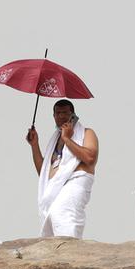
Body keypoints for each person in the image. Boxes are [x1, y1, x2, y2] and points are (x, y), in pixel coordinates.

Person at [26, 100, 98, 238]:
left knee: (63, 214)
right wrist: (34, 145)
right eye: (57, 113)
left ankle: (69, 253)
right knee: (52, 220)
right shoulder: (55, 139)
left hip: (76, 182)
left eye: (65, 112)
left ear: (73, 115)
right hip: (56, 188)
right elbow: (44, 173)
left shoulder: (87, 133)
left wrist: (67, 138)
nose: (61, 116)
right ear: (53, 116)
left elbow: (90, 158)